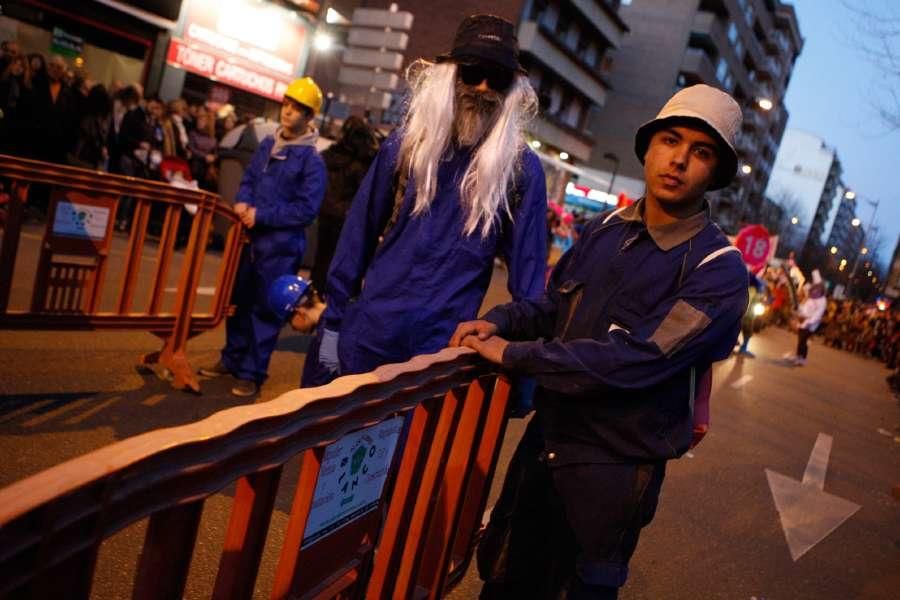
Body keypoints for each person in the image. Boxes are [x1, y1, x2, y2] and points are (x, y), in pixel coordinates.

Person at [450, 83, 748, 599]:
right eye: (670, 140)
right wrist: (500, 321)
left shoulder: (718, 270)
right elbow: (553, 305)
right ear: (648, 147)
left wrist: (517, 356)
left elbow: (640, 360)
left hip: (611, 471)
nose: (678, 160)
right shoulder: (605, 228)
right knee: (504, 579)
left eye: (700, 152)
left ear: (716, 173)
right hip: (544, 444)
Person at [300, 14, 548, 387]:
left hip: (439, 354)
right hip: (371, 335)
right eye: (472, 72)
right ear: (450, 74)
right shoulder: (406, 147)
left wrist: (523, 373)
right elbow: (358, 234)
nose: (482, 87)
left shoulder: (520, 170)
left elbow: (529, 279)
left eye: (497, 78)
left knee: (414, 446)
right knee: (341, 440)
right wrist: (333, 322)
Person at [199, 77, 327, 396]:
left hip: (281, 248)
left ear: (309, 117)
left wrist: (261, 215)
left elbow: (305, 210)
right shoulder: (269, 144)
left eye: (298, 108)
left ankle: (252, 373)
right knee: (239, 302)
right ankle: (231, 360)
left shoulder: (312, 161)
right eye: (287, 104)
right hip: (252, 240)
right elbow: (250, 178)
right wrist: (243, 200)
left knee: (267, 310)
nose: (289, 112)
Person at [310, 115, 380, 293]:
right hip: (347, 221)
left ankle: (315, 297)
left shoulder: (327, 156)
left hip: (326, 216)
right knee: (342, 268)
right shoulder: (363, 163)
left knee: (322, 260)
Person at [787, 277, 827, 366]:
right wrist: (798, 309)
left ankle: (803, 359)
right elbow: (805, 309)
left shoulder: (822, 301)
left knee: (803, 341)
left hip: (810, 324)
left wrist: (809, 322)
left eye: (818, 288)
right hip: (803, 321)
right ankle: (798, 356)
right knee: (800, 340)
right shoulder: (812, 298)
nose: (815, 290)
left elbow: (818, 314)